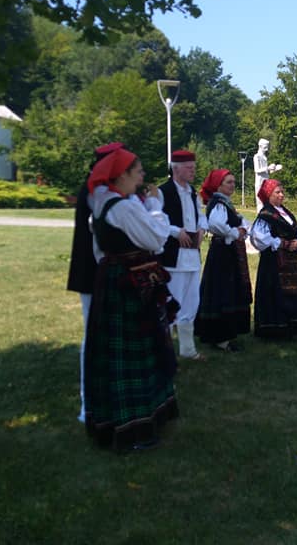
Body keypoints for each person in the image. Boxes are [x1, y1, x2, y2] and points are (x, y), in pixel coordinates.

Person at [83, 148, 177, 452]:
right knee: (136, 351)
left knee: (116, 354)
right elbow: (157, 238)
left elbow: (100, 251)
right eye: (137, 171)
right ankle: (136, 426)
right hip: (129, 284)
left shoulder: (101, 201)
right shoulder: (123, 208)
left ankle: (115, 421)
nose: (142, 176)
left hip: (113, 279)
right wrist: (155, 204)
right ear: (121, 175)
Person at [67, 141, 124, 423]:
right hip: (93, 274)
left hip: (100, 272)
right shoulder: (95, 191)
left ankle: (106, 396)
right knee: (94, 336)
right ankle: (89, 403)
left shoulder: (100, 189)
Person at [159, 150, 209, 361]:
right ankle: (166, 353)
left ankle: (188, 349)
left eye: (194, 167)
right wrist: (175, 231)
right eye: (189, 168)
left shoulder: (192, 192)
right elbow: (155, 219)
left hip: (192, 257)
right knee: (172, 304)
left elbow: (200, 215)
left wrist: (202, 228)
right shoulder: (163, 192)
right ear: (176, 169)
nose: (193, 171)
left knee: (191, 304)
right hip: (173, 257)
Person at [196, 168, 252, 352]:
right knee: (223, 291)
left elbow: (238, 221)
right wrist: (234, 232)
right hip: (222, 253)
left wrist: (241, 228)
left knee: (227, 290)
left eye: (234, 182)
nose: (232, 185)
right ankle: (220, 337)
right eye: (229, 182)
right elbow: (215, 224)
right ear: (218, 185)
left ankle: (225, 336)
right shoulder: (219, 203)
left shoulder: (224, 203)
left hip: (226, 252)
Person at [251, 179, 297, 339]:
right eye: (277, 192)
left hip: (291, 262)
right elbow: (259, 237)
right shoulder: (266, 215)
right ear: (268, 195)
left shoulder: (286, 213)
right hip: (273, 262)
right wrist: (282, 243)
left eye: (282, 192)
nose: (281, 195)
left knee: (292, 291)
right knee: (275, 292)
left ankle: (291, 328)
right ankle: (274, 330)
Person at [253, 138, 282, 211]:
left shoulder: (264, 157)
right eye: (265, 147)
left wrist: (275, 169)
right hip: (260, 182)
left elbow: (266, 172)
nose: (266, 149)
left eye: (267, 147)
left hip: (266, 182)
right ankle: (260, 216)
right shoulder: (257, 156)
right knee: (260, 202)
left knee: (267, 202)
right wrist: (268, 168)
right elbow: (257, 170)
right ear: (260, 146)